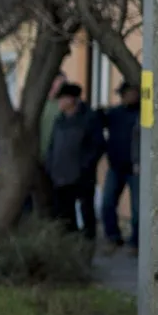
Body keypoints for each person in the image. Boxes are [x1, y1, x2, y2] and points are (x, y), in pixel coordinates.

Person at [46, 83, 105, 240]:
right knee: (64, 213)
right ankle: (69, 243)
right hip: (60, 176)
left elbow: (97, 146)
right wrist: (50, 166)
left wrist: (84, 167)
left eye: (62, 99)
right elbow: (52, 146)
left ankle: (87, 244)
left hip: (81, 177)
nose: (60, 103)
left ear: (72, 99)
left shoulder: (89, 119)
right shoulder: (60, 120)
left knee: (85, 211)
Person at [100, 81, 140, 255]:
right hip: (116, 166)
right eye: (128, 93)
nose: (131, 96)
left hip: (136, 168)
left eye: (134, 93)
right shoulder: (114, 114)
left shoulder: (143, 114)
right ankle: (113, 237)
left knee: (138, 209)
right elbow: (96, 125)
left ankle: (136, 243)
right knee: (107, 203)